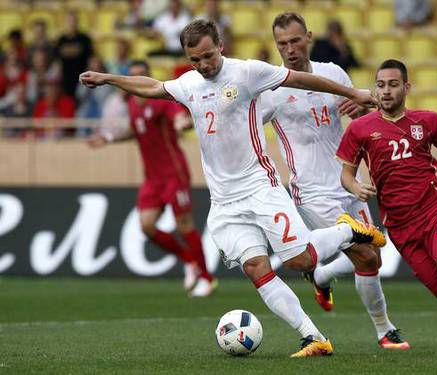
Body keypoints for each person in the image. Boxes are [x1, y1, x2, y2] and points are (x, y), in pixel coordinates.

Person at [79, 19, 384, 358]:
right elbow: (153, 87)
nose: (204, 65)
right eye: (195, 59)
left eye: (208, 56)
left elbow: (298, 78)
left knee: (301, 260)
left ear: (220, 45)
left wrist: (354, 93)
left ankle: (347, 231)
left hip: (259, 185)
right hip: (224, 201)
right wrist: (108, 79)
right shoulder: (189, 83)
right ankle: (313, 337)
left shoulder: (247, 72)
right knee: (257, 268)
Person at [262, 12, 409, 350]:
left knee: (373, 255)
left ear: (309, 37)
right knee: (367, 257)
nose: (290, 49)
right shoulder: (270, 90)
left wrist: (361, 112)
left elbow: (361, 116)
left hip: (348, 181)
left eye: (295, 40)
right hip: (311, 192)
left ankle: (322, 275)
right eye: (282, 43)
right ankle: (385, 330)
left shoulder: (333, 73)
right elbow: (249, 126)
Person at [336, 59, 437, 355]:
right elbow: (346, 174)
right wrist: (356, 186)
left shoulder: (427, 121)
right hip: (399, 225)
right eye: (381, 85)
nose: (386, 91)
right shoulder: (360, 129)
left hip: (435, 208)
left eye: (393, 84)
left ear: (407, 88)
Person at [86, 60, 215, 297]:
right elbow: (136, 129)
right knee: (146, 225)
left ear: (147, 77)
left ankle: (207, 278)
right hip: (152, 178)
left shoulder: (162, 101)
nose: (134, 81)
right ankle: (189, 261)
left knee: (183, 224)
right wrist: (109, 138)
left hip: (173, 173)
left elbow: (179, 117)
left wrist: (181, 123)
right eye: (131, 75)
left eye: (139, 75)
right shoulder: (133, 104)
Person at [56, 12, 94, 97]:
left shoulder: (85, 39)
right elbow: (57, 60)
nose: (72, 23)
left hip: (81, 76)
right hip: (66, 77)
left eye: (74, 20)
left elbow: (90, 58)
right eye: (70, 20)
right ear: (66, 22)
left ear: (77, 21)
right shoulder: (61, 40)